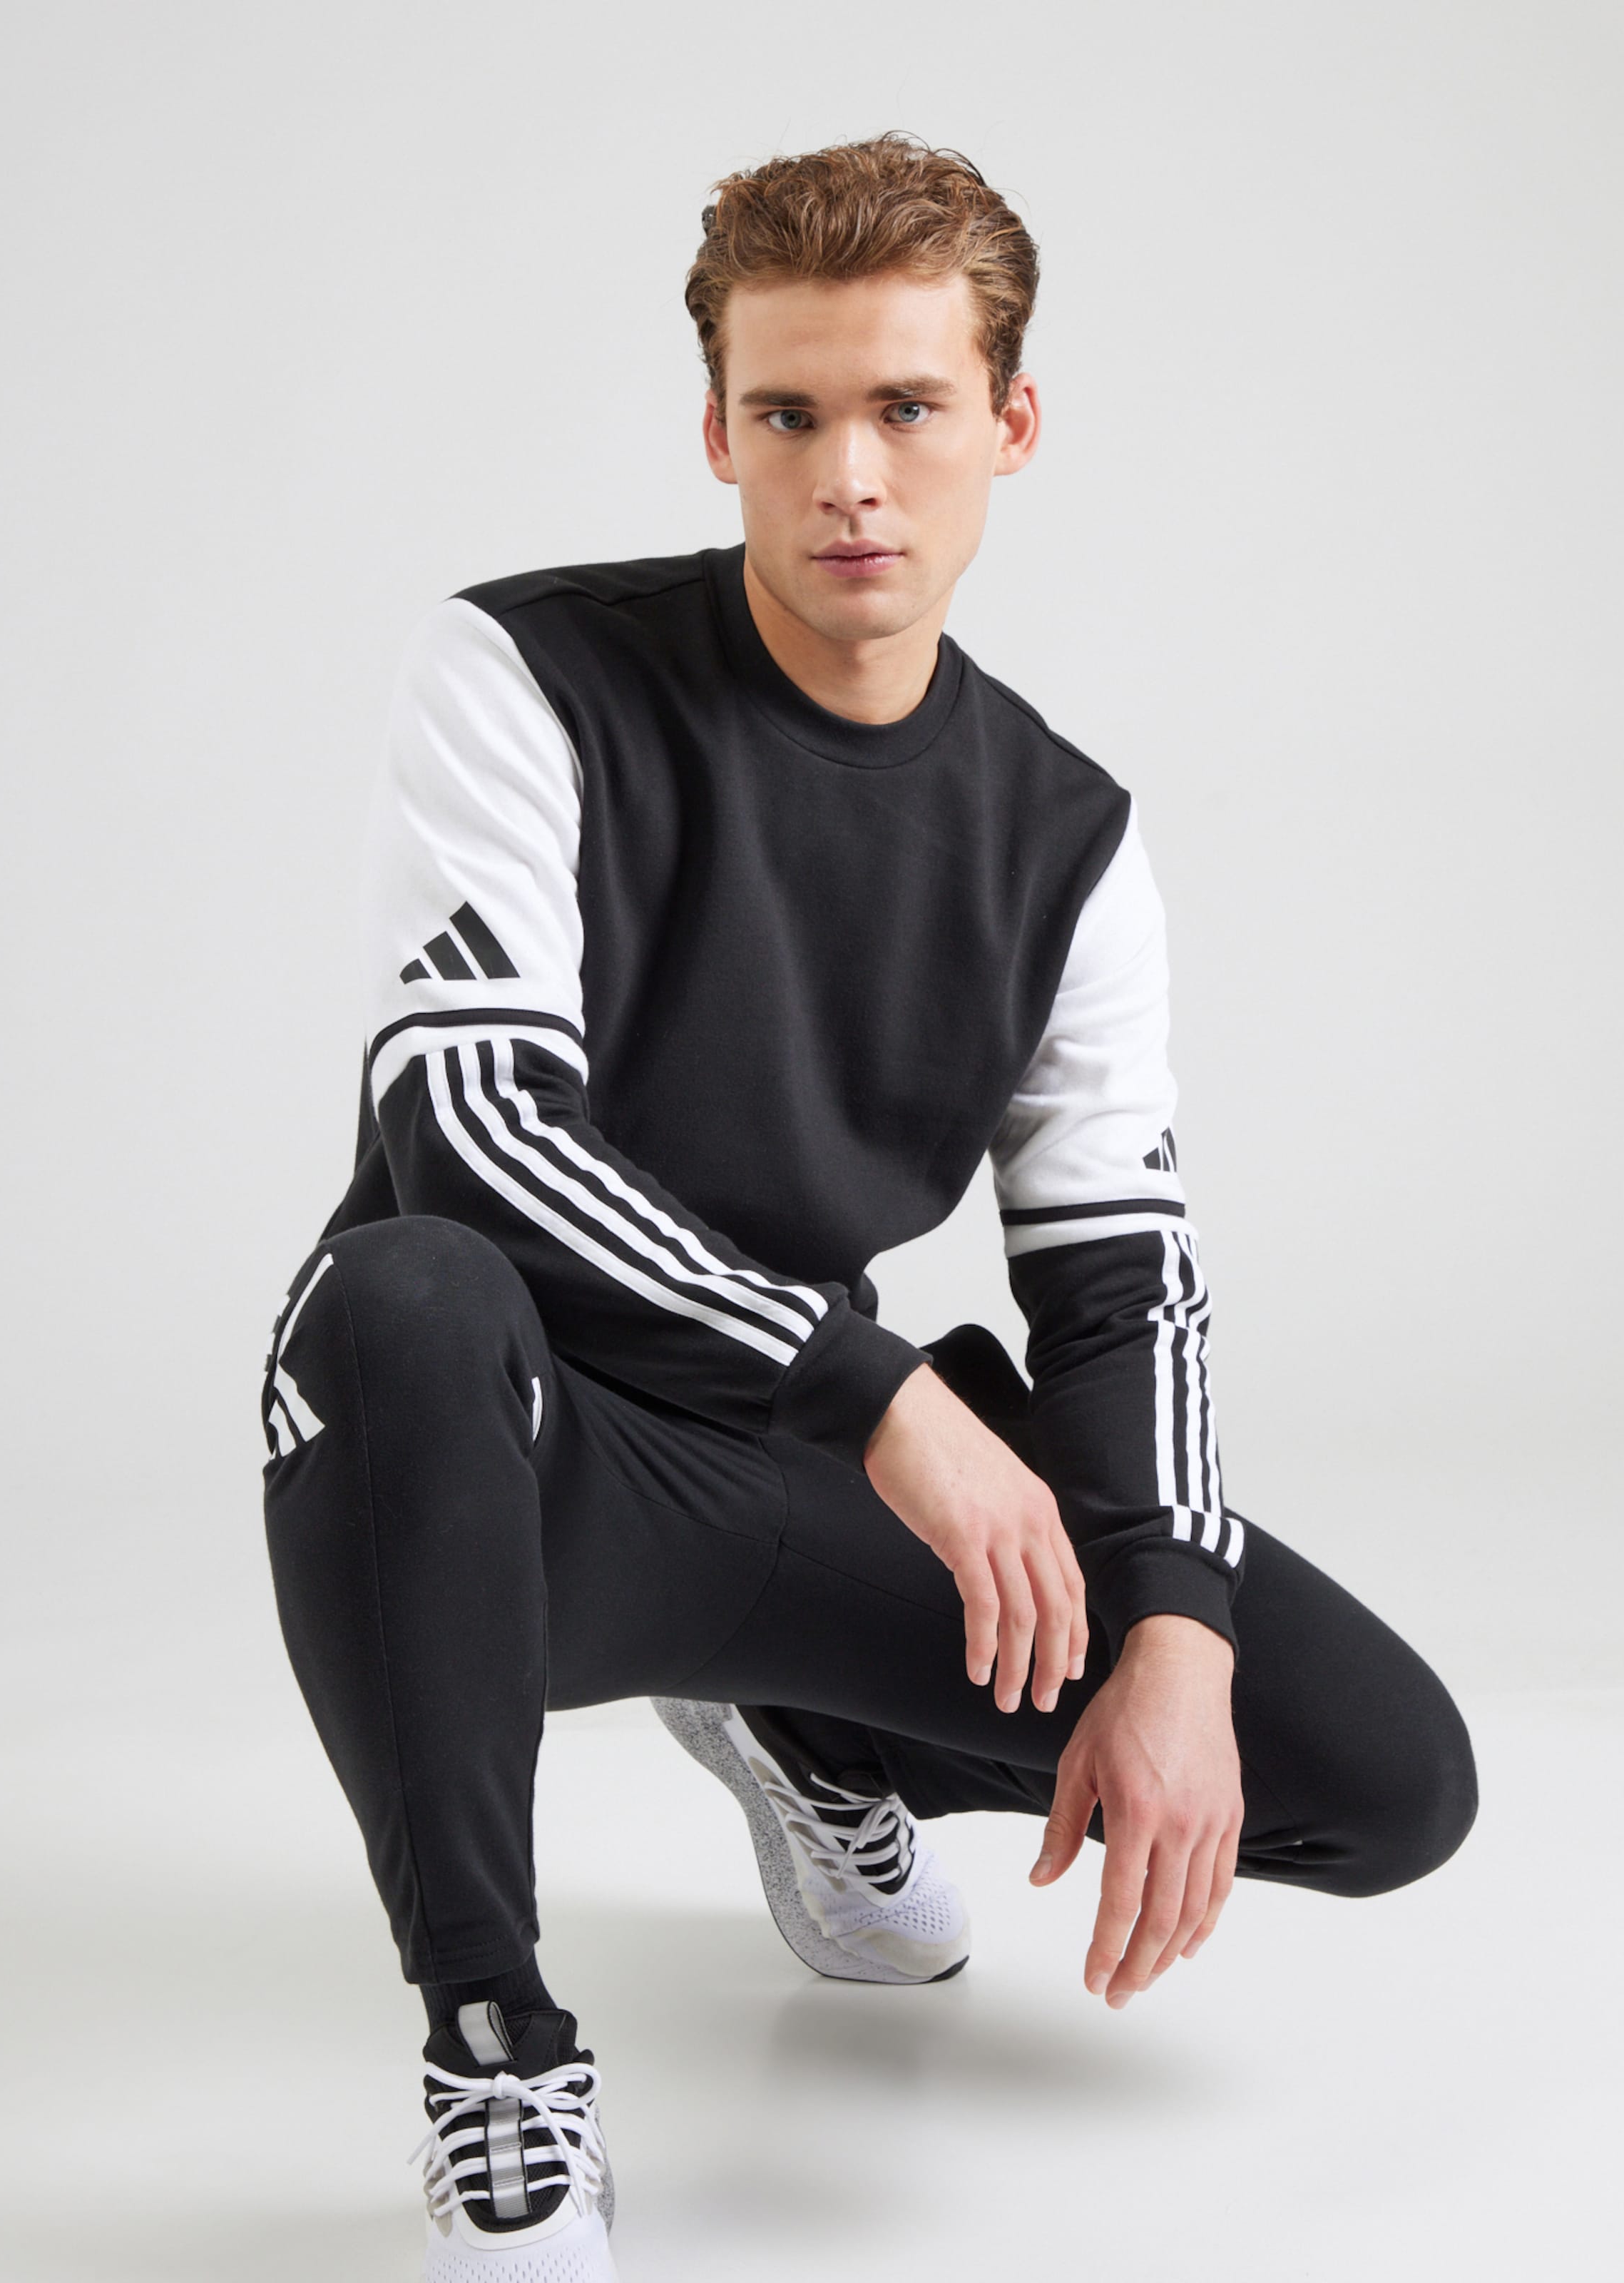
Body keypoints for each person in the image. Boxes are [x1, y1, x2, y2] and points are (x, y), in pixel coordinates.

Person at [260, 133, 1476, 2279]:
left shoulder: (1064, 836)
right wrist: (889, 1394)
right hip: (526, 1466)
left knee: (1381, 1775)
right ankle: (494, 2042)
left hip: (802, 1481)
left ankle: (817, 1738)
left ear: (1011, 423)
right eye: (789, 412)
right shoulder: (523, 675)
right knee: (402, 1296)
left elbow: (1122, 1280)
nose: (848, 478)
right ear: (717, 429)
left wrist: (1173, 1627)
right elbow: (468, 1124)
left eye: (909, 407)